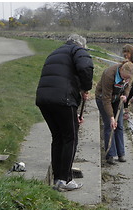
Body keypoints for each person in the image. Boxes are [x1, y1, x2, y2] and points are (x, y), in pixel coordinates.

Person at [36, 34, 93, 191]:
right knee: (70, 138)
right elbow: (86, 67)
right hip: (63, 99)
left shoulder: (56, 52)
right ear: (81, 45)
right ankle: (65, 180)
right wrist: (85, 87)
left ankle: (57, 178)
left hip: (43, 99)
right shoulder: (78, 50)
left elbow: (62, 77)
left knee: (58, 138)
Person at [96, 61, 133, 165]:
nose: (125, 80)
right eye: (124, 77)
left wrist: (125, 95)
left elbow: (127, 87)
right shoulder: (109, 75)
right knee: (109, 124)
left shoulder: (129, 76)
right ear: (121, 70)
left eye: (128, 78)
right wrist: (112, 117)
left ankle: (121, 153)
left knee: (120, 126)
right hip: (103, 98)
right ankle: (110, 154)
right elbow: (106, 99)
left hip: (118, 98)